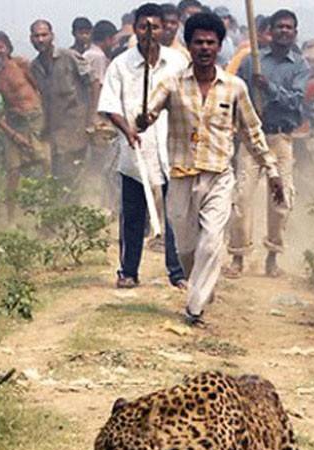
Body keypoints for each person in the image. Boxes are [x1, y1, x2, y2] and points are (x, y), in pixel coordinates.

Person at [146, 12, 284, 325]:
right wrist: (142, 120)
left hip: (219, 175)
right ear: (189, 46)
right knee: (186, 249)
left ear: (220, 46)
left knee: (211, 242)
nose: (205, 48)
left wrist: (271, 170)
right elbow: (148, 114)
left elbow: (252, 132)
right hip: (181, 176)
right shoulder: (172, 84)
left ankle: (194, 309)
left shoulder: (235, 88)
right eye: (199, 43)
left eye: (211, 42)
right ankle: (201, 286)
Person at [99, 3, 188, 290]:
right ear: (135, 29)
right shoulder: (120, 65)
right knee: (133, 214)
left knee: (176, 213)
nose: (149, 33)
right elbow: (110, 106)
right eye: (143, 27)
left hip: (172, 149)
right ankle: (128, 271)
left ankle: (178, 272)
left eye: (155, 27)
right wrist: (128, 131)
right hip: (134, 150)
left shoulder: (178, 62)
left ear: (165, 29)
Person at [225, 8, 309, 278]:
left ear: (295, 33)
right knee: (241, 197)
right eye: (279, 27)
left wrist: (269, 88)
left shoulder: (300, 66)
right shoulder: (251, 62)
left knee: (281, 200)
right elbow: (237, 96)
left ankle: (273, 256)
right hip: (252, 138)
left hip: (281, 137)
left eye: (289, 27)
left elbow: (296, 101)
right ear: (269, 31)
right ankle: (238, 256)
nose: (284, 31)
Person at [0, 31, 51, 218]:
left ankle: (50, 212)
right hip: (14, 124)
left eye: (1, 46)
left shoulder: (21, 64)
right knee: (13, 172)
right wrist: (13, 135)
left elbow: (41, 89)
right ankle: (11, 220)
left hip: (37, 119)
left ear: (7, 48)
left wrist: (47, 119)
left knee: (46, 164)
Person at [30, 19, 97, 183]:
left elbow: (94, 83)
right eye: (36, 36)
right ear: (31, 39)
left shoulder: (69, 57)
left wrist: (91, 119)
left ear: (52, 36)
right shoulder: (35, 67)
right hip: (56, 132)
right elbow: (44, 99)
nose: (40, 40)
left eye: (44, 35)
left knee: (80, 177)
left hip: (78, 128)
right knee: (60, 177)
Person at [84, 20, 119, 88]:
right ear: (107, 39)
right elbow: (98, 85)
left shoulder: (89, 53)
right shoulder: (98, 57)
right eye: (113, 39)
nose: (115, 44)